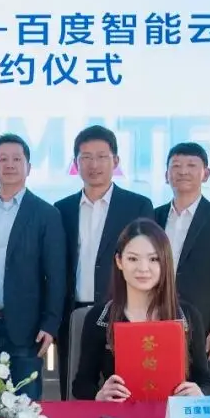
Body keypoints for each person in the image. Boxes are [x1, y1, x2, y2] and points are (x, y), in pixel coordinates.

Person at [54, 125, 153, 399]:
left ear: (116, 161)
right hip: (72, 313)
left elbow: (147, 260)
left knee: (123, 391)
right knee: (75, 389)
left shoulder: (137, 206)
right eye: (85, 157)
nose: (93, 165)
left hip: (120, 312)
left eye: (101, 157)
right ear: (76, 163)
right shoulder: (61, 209)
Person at [0, 133, 65, 401]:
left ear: (28, 167)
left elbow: (56, 275)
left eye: (17, 159)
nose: (9, 164)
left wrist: (50, 323)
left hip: (26, 328)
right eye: (3, 159)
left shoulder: (46, 214)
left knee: (24, 406)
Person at [72, 218, 210, 401]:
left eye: (153, 259)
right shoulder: (99, 318)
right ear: (119, 261)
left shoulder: (187, 316)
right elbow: (81, 384)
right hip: (119, 416)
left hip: (173, 415)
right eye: (133, 259)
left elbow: (207, 382)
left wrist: (200, 393)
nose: (143, 268)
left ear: (165, 262)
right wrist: (99, 395)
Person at [154, 142, 210, 394]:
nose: (183, 171)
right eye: (176, 166)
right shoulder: (154, 216)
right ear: (166, 174)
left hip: (203, 327)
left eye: (192, 165)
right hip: (156, 321)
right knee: (157, 389)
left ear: (206, 173)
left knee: (203, 393)